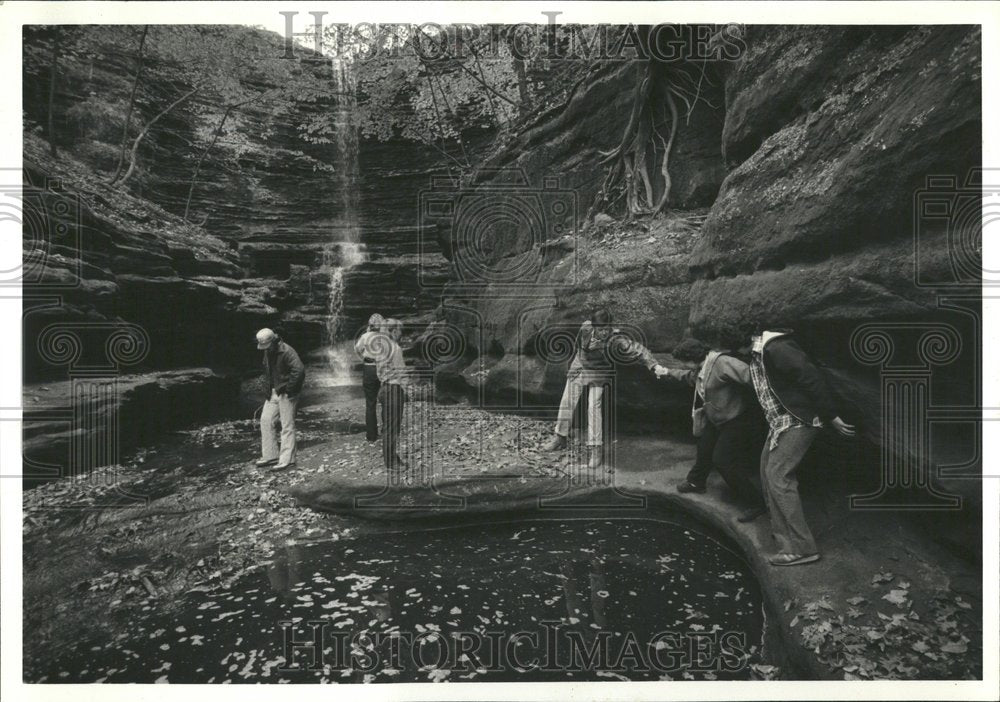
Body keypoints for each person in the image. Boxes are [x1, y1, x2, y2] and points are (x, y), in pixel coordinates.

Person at [749, 328, 855, 566]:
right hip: (781, 423)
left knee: (778, 476)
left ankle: (801, 548)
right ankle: (784, 540)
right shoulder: (762, 350)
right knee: (768, 473)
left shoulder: (778, 347)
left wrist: (831, 416)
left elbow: (811, 377)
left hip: (799, 420)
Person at [541, 309, 663, 469]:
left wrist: (654, 365)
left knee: (593, 405)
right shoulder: (585, 328)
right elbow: (579, 347)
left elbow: (638, 349)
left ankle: (595, 449)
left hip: (600, 370)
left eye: (606, 328)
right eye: (600, 329)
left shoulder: (616, 338)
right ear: (593, 326)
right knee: (567, 400)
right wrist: (576, 365)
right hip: (581, 364)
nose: (604, 332)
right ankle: (560, 437)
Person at [656, 347, 768, 523]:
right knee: (704, 447)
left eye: (683, 361)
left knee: (723, 460)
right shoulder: (701, 368)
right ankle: (696, 482)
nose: (683, 365)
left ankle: (756, 502)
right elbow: (687, 377)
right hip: (717, 419)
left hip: (737, 418)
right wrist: (667, 372)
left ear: (691, 358)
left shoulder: (722, 363)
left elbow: (752, 377)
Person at [254, 328, 305, 471]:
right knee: (265, 420)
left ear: (273, 341)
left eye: (265, 345)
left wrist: (289, 389)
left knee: (287, 425)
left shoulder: (287, 351)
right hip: (273, 392)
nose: (263, 349)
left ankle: (287, 460)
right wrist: (267, 388)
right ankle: (271, 455)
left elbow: (299, 370)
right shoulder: (268, 350)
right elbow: (268, 371)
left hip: (287, 393)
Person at [376, 318, 408, 473]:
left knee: (387, 426)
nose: (401, 334)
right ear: (393, 331)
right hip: (393, 389)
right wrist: (407, 389)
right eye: (400, 330)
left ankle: (391, 457)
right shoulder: (395, 348)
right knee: (392, 428)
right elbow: (401, 372)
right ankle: (391, 462)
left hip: (383, 389)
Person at [354, 313, 386, 442]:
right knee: (385, 401)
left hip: (369, 367)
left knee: (370, 403)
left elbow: (357, 349)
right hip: (383, 367)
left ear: (370, 324)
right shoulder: (385, 337)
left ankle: (371, 436)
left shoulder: (365, 336)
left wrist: (364, 356)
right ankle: (386, 431)